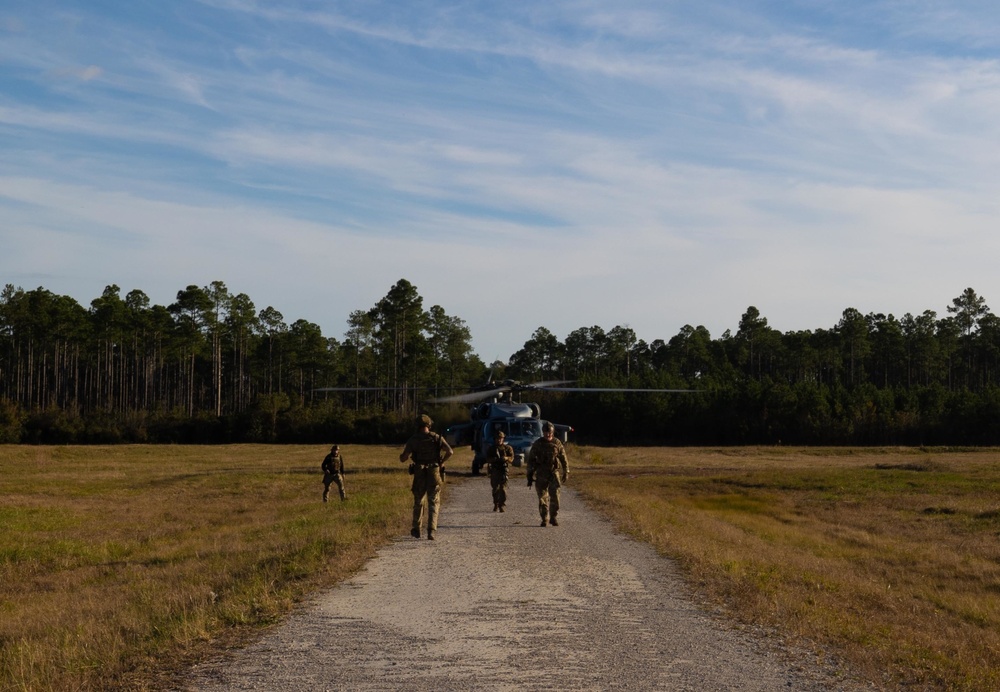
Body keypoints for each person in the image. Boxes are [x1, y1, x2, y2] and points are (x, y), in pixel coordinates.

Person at [399, 414, 453, 540]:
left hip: (419, 472)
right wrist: (441, 462)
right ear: (429, 425)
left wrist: (404, 456)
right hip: (434, 471)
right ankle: (431, 531)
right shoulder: (437, 438)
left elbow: (403, 458)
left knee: (418, 501)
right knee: (434, 501)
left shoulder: (413, 439)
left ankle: (417, 528)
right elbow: (450, 451)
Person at [525, 421, 569, 527]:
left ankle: (553, 517)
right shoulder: (538, 444)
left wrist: (566, 471)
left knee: (555, 497)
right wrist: (530, 474)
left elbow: (564, 458)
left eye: (549, 432)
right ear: (543, 432)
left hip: (554, 473)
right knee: (542, 497)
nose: (547, 434)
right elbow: (531, 460)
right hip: (541, 474)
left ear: (552, 432)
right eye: (545, 432)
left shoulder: (557, 443)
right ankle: (544, 518)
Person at [486, 430, 514, 512]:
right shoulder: (491, 448)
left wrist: (506, 458)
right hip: (494, 470)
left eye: (501, 438)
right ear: (495, 439)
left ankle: (502, 505)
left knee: (503, 489)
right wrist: (493, 460)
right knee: (495, 489)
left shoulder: (508, 448)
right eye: (498, 438)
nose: (499, 440)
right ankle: (496, 503)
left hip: (504, 470)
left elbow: (512, 459)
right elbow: (487, 459)